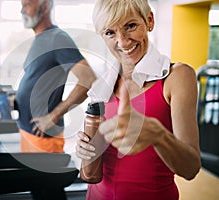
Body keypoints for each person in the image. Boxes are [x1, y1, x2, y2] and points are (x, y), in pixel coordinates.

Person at [76, 0, 201, 199]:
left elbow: (191, 168)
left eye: (131, 26)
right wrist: (85, 149)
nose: (123, 42)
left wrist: (158, 135)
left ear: (149, 21)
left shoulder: (176, 77)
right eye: (110, 32)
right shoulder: (102, 86)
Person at [15, 0, 96, 153]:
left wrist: (52, 117)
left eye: (27, 5)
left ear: (45, 6)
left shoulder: (57, 38)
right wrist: (17, 98)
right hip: (28, 132)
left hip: (44, 139)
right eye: (21, 5)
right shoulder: (40, 39)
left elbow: (88, 79)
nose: (22, 10)